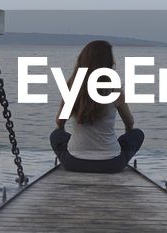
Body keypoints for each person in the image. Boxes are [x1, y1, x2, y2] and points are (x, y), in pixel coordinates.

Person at [49, 39, 144, 174]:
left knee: (56, 135)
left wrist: (67, 136)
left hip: (74, 163)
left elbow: (59, 122)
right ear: (108, 62)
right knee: (137, 134)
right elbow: (130, 123)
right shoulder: (114, 89)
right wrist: (125, 136)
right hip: (112, 164)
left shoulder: (73, 87)